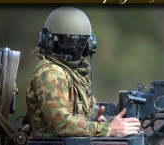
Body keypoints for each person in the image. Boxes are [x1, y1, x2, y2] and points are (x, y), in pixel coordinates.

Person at [26, 7, 140, 137]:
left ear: (89, 46)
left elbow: (74, 119)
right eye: (67, 42)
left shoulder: (75, 74)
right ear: (50, 42)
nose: (74, 47)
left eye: (80, 42)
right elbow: (62, 124)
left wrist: (94, 122)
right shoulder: (51, 73)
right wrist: (108, 129)